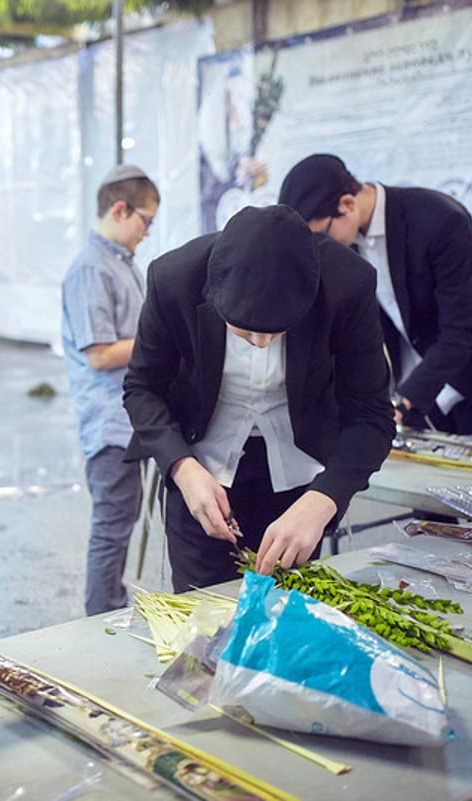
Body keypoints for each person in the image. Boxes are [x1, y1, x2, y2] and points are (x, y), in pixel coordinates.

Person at [123, 205, 394, 589]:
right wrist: (183, 469)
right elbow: (141, 388)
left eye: (278, 332)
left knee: (286, 614)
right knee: (202, 618)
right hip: (201, 469)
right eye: (246, 333)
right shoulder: (174, 279)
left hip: (299, 475)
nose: (263, 344)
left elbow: (372, 415)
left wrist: (325, 500)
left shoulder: (347, 284)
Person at [278, 153, 472, 435]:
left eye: (321, 234)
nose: (321, 246)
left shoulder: (440, 219)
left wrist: (404, 399)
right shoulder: (349, 242)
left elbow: (463, 330)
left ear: (347, 203)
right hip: (417, 389)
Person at [60, 164, 160, 615]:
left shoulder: (121, 264)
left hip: (129, 419)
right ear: (120, 210)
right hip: (109, 423)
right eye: (146, 221)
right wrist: (163, 339)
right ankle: (99, 620)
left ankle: (110, 606)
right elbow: (99, 353)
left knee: (122, 520)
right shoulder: (91, 269)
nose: (146, 233)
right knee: (112, 525)